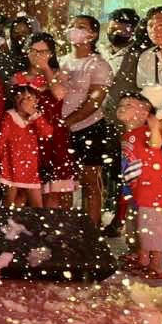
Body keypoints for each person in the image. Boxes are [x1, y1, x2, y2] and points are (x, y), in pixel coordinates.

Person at [61, 15, 114, 224]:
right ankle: (66, 228)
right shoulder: (62, 61)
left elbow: (94, 101)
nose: (74, 30)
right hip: (62, 130)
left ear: (92, 35)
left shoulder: (99, 65)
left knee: (90, 180)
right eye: (72, 25)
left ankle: (92, 230)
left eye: (81, 27)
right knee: (63, 182)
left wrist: (69, 122)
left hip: (89, 128)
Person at [14, 32, 74, 208]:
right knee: (24, 191)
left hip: (54, 135)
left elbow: (59, 94)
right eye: (33, 51)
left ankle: (52, 223)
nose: (37, 56)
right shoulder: (18, 78)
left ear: (51, 53)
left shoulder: (59, 75)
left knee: (54, 191)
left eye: (43, 52)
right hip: (27, 136)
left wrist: (46, 68)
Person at [117, 92, 162, 281]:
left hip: (152, 187)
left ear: (144, 113)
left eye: (129, 105)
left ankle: (156, 265)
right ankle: (143, 258)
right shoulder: (128, 134)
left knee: (151, 225)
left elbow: (155, 144)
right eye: (121, 104)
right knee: (138, 224)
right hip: (138, 188)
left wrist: (155, 128)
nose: (122, 107)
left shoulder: (145, 131)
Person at [0, 86, 48, 208]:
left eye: (29, 98)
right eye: (19, 97)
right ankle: (8, 220)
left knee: (37, 206)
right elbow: (0, 143)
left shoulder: (37, 117)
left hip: (30, 168)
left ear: (36, 101)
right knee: (9, 204)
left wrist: (33, 114)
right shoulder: (9, 116)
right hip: (11, 167)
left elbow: (46, 133)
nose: (24, 101)